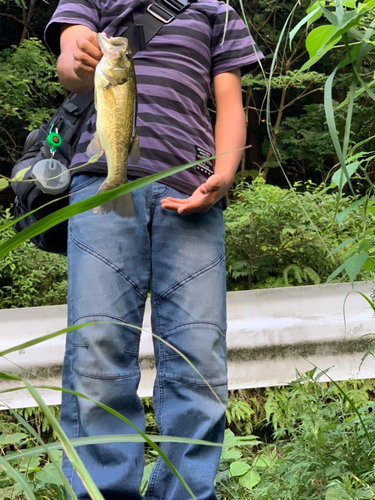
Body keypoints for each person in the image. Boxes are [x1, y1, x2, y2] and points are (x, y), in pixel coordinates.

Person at [44, 0, 263, 498]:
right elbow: (70, 68)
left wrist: (224, 175)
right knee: (98, 349)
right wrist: (76, 57)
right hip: (101, 183)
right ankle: (103, 492)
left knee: (200, 360)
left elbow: (230, 103)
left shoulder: (217, 10)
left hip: (191, 194)